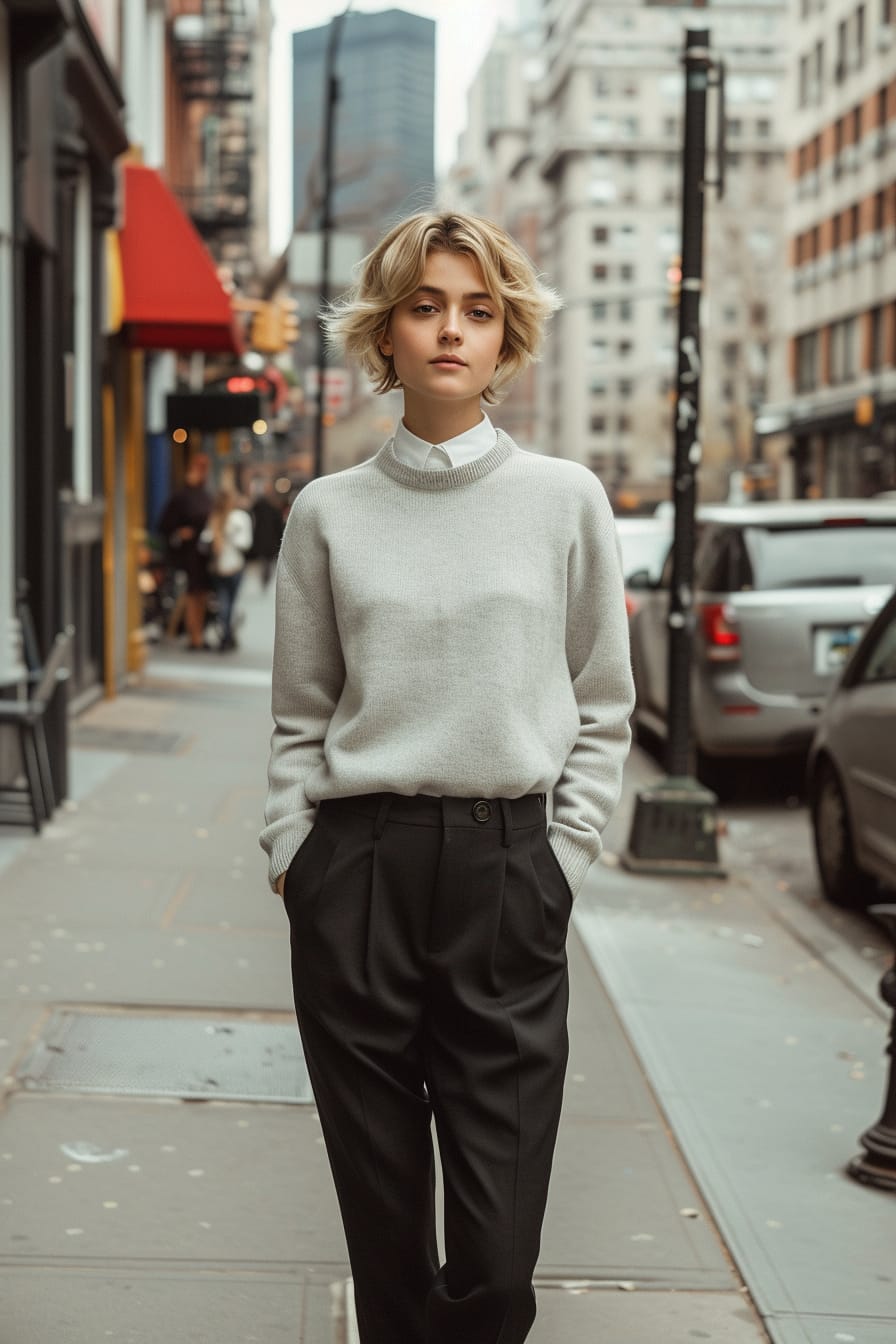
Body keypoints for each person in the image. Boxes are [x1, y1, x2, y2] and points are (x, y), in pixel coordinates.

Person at [260, 211, 635, 1344]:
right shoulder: (327, 512)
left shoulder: (564, 499)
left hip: (508, 867)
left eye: (476, 310)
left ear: (506, 333)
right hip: (357, 870)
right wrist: (296, 855)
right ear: (385, 330)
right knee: (383, 1235)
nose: (449, 331)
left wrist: (560, 858)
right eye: (424, 306)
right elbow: (298, 715)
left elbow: (604, 702)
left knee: (493, 1257)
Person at [157, 452, 213, 650]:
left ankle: (199, 633)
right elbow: (165, 524)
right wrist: (180, 532)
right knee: (192, 593)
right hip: (189, 553)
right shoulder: (182, 497)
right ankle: (193, 635)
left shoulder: (205, 495)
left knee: (202, 594)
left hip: (204, 552)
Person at [200, 487, 253, 651]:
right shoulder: (239, 518)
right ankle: (227, 636)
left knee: (224, 603)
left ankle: (227, 635)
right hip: (232, 567)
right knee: (228, 604)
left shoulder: (215, 519)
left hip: (220, 567)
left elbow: (203, 543)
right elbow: (245, 544)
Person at [248, 489, 285, 588]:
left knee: (265, 560)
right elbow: (279, 527)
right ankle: (266, 578)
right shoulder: (275, 510)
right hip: (271, 540)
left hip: (261, 539)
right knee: (268, 561)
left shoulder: (257, 509)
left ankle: (264, 578)